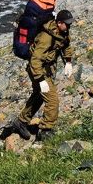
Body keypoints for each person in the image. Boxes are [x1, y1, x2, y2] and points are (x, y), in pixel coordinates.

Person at [14, 9, 75, 141]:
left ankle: (21, 122)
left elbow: (66, 45)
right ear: (59, 23)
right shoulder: (46, 37)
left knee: (38, 96)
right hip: (38, 71)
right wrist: (40, 79)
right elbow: (35, 60)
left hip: (47, 70)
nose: (69, 26)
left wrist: (68, 61)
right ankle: (45, 131)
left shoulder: (63, 32)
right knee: (52, 100)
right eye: (67, 24)